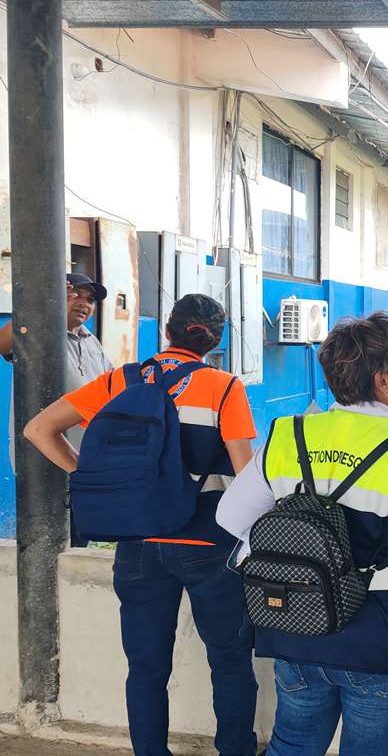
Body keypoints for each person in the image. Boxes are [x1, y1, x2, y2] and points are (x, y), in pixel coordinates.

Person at [25, 294, 259, 756]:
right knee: (230, 662)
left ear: (168, 330)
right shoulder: (224, 387)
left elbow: (38, 430)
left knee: (146, 667)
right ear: (215, 340)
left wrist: (96, 480)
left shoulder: (121, 380)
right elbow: (245, 477)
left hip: (137, 545)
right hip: (208, 545)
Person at [217, 311, 388, 756]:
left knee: (292, 746)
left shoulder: (289, 434)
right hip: (378, 640)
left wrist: (300, 551)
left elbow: (230, 516)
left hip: (296, 627)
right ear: (383, 379)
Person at [1, 272, 114, 545]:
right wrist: (43, 304)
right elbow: (2, 342)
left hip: (84, 460)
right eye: (75, 295)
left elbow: (111, 387)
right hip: (44, 458)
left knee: (77, 542)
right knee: (47, 543)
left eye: (90, 299)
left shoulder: (91, 342)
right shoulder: (39, 332)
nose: (84, 303)